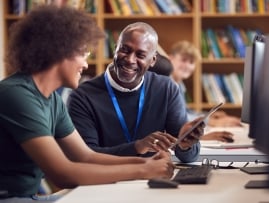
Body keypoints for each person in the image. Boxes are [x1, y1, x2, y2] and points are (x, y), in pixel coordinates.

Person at [0, 6, 176, 202]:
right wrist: (143, 170)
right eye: (83, 53)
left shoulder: (53, 100)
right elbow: (63, 174)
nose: (85, 64)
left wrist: (146, 161)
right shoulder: (16, 95)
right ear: (59, 50)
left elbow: (86, 156)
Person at [67, 22, 203, 163]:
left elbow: (189, 157)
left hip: (150, 179)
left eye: (140, 55)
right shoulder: (82, 96)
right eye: (125, 50)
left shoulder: (166, 89)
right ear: (115, 49)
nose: (130, 59)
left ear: (153, 60)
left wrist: (185, 145)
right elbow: (85, 156)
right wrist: (137, 147)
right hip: (105, 180)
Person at [168, 41, 242, 141]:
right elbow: (179, 118)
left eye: (191, 62)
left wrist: (208, 115)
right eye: (183, 60)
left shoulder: (179, 84)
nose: (187, 66)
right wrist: (211, 121)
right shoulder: (166, 85)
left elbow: (186, 111)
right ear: (170, 58)